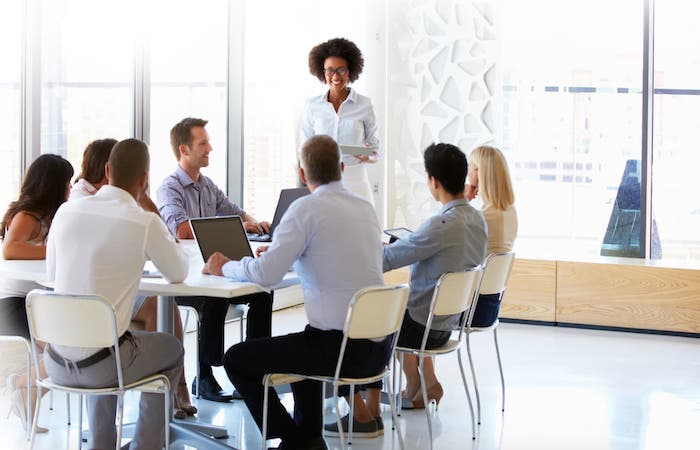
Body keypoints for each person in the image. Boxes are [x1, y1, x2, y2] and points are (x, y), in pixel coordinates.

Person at [202, 135, 386, 450]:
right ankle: (309, 435)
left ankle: (294, 439)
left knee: (236, 359)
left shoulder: (306, 208)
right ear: (341, 168)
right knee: (304, 342)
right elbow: (334, 254)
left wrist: (226, 266)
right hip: (377, 350)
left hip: (337, 350)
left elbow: (266, 276)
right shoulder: (365, 207)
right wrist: (282, 253)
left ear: (302, 174)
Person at [327, 143, 487, 436]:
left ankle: (364, 409)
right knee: (397, 310)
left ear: (433, 181)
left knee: (367, 318)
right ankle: (419, 385)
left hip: (422, 326)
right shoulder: (477, 220)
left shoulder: (441, 224)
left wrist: (358, 247)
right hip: (449, 323)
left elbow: (386, 260)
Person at [46, 138, 189, 450]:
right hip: (102, 365)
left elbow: (52, 275)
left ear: (108, 170)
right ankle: (147, 445)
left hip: (54, 361)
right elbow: (178, 273)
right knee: (170, 348)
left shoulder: (66, 212)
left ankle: (102, 444)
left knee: (104, 339)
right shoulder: (143, 221)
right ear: (144, 179)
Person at [157, 117, 273, 402]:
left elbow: (236, 211)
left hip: (214, 272)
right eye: (203, 143)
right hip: (187, 280)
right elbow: (181, 230)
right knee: (214, 298)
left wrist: (256, 224)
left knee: (262, 293)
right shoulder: (169, 188)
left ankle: (255, 369)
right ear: (184, 150)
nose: (210, 148)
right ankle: (205, 377)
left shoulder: (207, 185)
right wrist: (233, 224)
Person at [0, 154, 74, 434]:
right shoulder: (27, 215)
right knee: (68, 350)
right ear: (52, 184)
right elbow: (10, 249)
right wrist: (54, 251)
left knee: (74, 349)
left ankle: (25, 388)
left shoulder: (48, 217)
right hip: (14, 304)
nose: (69, 188)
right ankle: (23, 385)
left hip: (36, 302)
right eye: (66, 182)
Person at [300, 37, 379, 206]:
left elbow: (375, 149)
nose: (335, 76)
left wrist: (368, 155)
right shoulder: (313, 105)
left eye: (341, 70)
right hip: (323, 181)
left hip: (356, 179)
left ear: (350, 71)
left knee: (361, 228)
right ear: (322, 72)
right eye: (330, 70)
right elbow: (304, 146)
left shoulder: (364, 105)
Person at [465, 145, 518, 326]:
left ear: (479, 173)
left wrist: (461, 202)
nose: (467, 172)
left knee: (413, 314)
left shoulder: (482, 217)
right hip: (490, 306)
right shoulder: (509, 212)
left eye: (470, 167)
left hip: (471, 308)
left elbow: (442, 236)